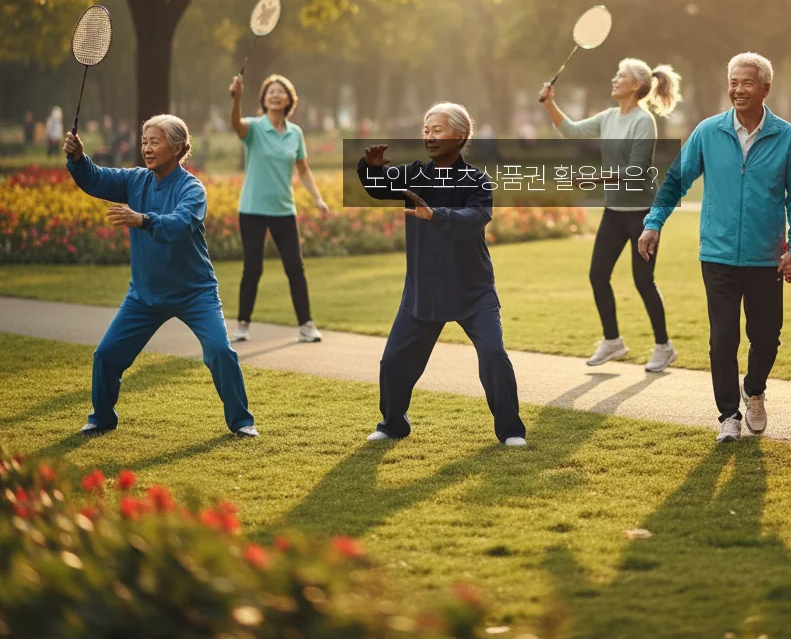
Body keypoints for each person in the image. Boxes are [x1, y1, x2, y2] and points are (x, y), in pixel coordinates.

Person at [638, 53, 791, 443]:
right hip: (716, 256)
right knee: (722, 339)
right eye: (733, 82)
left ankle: (755, 389)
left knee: (767, 337)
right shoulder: (708, 132)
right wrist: (653, 223)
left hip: (767, 258)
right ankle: (728, 415)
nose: (737, 89)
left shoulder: (785, 137)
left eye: (746, 83)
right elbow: (675, 180)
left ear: (765, 88)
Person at [63, 116, 258, 438]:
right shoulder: (135, 180)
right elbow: (95, 179)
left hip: (195, 294)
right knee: (107, 354)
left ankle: (241, 422)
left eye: (155, 142)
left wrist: (142, 220)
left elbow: (180, 223)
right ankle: (101, 418)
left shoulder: (192, 189)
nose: (147, 148)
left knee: (221, 352)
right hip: (145, 294)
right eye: (144, 141)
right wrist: (76, 158)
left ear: (177, 148)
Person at [357, 102, 527, 446]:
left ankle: (510, 431)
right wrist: (370, 168)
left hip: (472, 290)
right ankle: (393, 424)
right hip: (424, 288)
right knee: (393, 362)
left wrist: (436, 215)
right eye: (425, 130)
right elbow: (377, 187)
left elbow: (476, 218)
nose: (429, 137)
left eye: (437, 130)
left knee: (494, 354)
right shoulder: (412, 174)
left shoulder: (477, 180)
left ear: (460, 136)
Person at [539, 58, 682, 372]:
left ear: (636, 86)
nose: (614, 78)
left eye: (621, 75)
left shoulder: (643, 121)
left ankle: (664, 346)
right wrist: (550, 103)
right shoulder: (608, 116)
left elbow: (635, 170)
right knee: (597, 275)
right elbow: (572, 131)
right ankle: (613, 340)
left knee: (643, 281)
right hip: (614, 212)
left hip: (642, 215)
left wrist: (594, 179)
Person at [229, 73, 328, 344]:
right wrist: (236, 98)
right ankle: (242, 324)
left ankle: (306, 325)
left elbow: (304, 170)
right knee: (253, 268)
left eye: (280, 91)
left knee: (295, 267)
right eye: (270, 91)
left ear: (288, 100)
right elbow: (235, 124)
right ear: (264, 98)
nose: (275, 95)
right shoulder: (254, 127)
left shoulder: (295, 133)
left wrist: (317, 198)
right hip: (252, 209)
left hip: (284, 210)